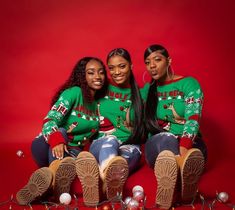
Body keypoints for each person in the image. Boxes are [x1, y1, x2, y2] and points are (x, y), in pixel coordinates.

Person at [16, 57, 108, 205]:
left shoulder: (98, 105)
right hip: (46, 143)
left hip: (71, 153)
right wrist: (57, 139)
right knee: (62, 131)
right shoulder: (74, 92)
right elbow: (50, 119)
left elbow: (98, 136)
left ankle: (46, 185)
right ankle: (54, 178)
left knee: (80, 158)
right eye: (91, 73)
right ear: (82, 76)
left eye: (101, 72)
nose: (97, 76)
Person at [76, 48, 144, 207]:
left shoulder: (142, 94)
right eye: (111, 68)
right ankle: (108, 183)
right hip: (101, 144)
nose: (116, 72)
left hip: (130, 145)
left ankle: (99, 182)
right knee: (110, 141)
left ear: (131, 66)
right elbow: (76, 99)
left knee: (121, 160)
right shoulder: (100, 88)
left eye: (122, 66)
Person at [142, 44, 207, 209]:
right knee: (165, 138)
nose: (152, 66)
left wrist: (184, 150)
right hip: (158, 147)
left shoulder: (189, 84)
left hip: (190, 146)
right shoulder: (147, 90)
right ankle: (182, 184)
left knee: (195, 152)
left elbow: (193, 117)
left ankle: (173, 184)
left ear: (169, 61)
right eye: (148, 62)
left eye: (157, 60)